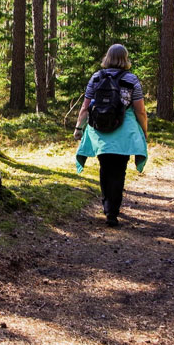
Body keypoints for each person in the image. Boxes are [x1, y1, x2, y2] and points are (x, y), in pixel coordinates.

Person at [74, 44, 148, 227]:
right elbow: (140, 111)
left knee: (105, 168)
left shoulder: (96, 77)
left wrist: (79, 128)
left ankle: (107, 207)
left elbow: (86, 106)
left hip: (99, 130)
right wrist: (144, 131)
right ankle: (113, 212)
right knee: (119, 171)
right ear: (125, 58)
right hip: (124, 132)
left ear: (107, 57)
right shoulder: (132, 80)